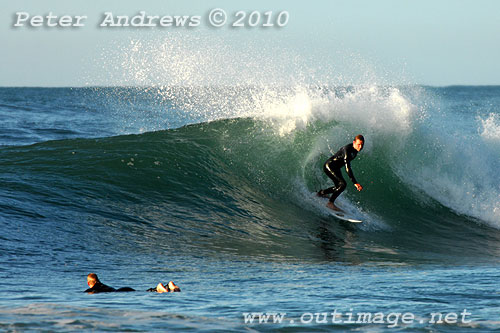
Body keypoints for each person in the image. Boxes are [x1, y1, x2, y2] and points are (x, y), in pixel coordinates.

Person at [317, 135, 364, 211]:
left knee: (338, 187)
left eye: (362, 145)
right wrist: (355, 182)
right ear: (354, 142)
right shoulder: (347, 150)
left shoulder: (355, 150)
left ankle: (321, 193)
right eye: (359, 144)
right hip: (329, 166)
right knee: (343, 184)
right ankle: (330, 203)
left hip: (336, 168)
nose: (360, 147)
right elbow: (347, 167)